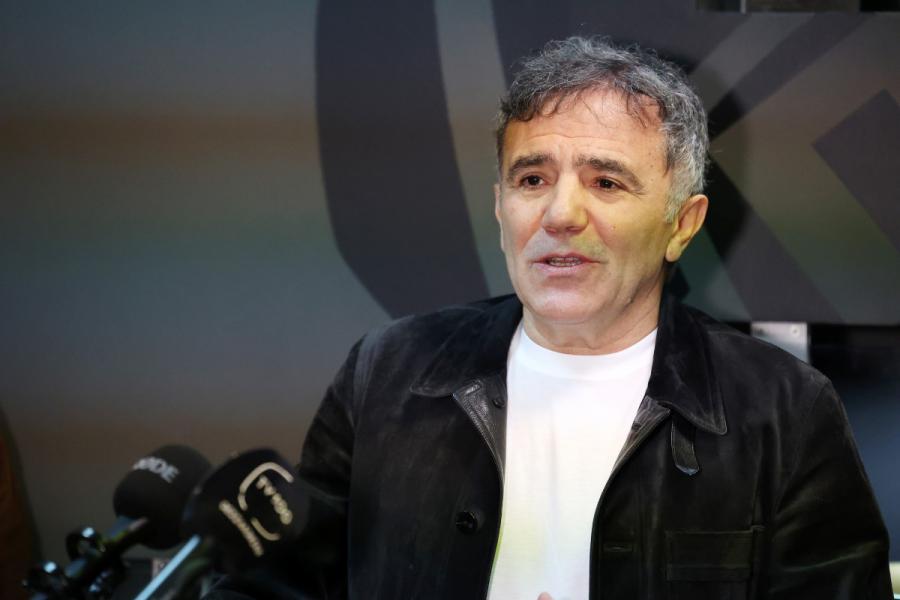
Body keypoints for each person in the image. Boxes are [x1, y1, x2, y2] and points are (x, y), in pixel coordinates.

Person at [211, 36, 892, 599]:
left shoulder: (782, 411)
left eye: (606, 182)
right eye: (532, 179)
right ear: (500, 207)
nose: (561, 215)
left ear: (682, 225)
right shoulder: (387, 373)